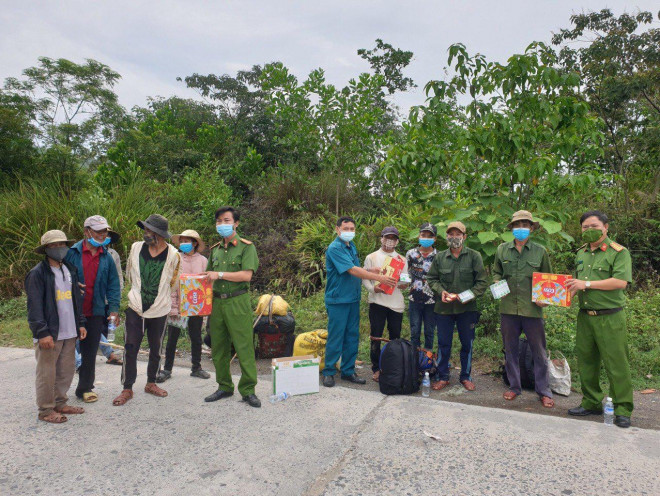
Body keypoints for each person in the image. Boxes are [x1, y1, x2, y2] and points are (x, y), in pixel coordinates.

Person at [566, 211, 633, 428]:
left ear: (606, 227)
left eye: (593, 226)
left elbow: (620, 282)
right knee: (587, 362)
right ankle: (591, 402)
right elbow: (575, 284)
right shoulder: (581, 253)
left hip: (610, 317)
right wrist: (556, 296)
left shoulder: (619, 252)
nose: (589, 230)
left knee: (616, 363)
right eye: (585, 227)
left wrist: (586, 285)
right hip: (585, 317)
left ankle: (622, 409)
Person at [112, 215, 181, 406]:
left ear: (161, 235)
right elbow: (130, 275)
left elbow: (174, 283)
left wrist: (161, 298)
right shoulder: (136, 248)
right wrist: (138, 294)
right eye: (146, 230)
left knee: (156, 348)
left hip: (160, 309)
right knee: (130, 347)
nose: (146, 233)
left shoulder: (174, 255)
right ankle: (127, 388)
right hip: (135, 306)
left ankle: (151, 382)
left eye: (150, 231)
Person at [322, 216, 398, 388]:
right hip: (338, 300)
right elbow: (352, 270)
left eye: (352, 229)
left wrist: (372, 269)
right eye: (345, 228)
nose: (349, 232)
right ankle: (329, 372)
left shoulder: (351, 246)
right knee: (336, 336)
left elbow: (357, 267)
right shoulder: (335, 248)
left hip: (352, 299)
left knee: (351, 336)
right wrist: (379, 277)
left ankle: (348, 371)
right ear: (337, 229)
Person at [493, 210, 554, 408]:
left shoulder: (540, 251)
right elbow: (496, 273)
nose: (521, 229)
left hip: (532, 310)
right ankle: (514, 387)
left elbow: (549, 280)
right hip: (509, 308)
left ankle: (544, 391)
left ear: (531, 228)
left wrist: (546, 299)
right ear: (512, 229)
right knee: (510, 350)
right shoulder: (502, 250)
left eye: (525, 225)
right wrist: (497, 286)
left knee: (539, 352)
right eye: (517, 225)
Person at [25, 230, 87, 423]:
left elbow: (75, 299)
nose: (59, 249)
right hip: (50, 332)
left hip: (69, 330)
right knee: (47, 373)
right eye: (54, 246)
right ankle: (45, 410)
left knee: (66, 370)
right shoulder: (37, 274)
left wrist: (81, 323)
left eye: (62, 245)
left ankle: (60, 402)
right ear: (46, 249)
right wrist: (42, 332)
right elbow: (34, 306)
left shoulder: (69, 269)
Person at [203, 207, 260, 407]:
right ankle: (224, 386)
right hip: (217, 303)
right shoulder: (215, 250)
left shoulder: (246, 247)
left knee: (244, 346)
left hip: (238, 301)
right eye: (219, 221)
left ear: (236, 223)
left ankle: (248, 390)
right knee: (218, 347)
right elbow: (207, 277)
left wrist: (219, 275)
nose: (222, 225)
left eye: (226, 220)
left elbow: (246, 275)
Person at [65, 215, 120, 403]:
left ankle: (85, 388)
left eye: (104, 231)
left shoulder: (107, 256)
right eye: (98, 231)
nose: (102, 234)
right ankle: (58, 391)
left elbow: (113, 284)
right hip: (70, 311)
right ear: (86, 231)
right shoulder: (71, 253)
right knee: (65, 351)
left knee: (89, 353)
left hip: (95, 311)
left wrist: (113, 310)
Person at [427, 221, 488, 391]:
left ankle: (466, 376)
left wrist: (465, 296)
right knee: (443, 343)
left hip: (467, 309)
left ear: (464, 237)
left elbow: (482, 283)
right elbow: (432, 279)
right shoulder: (440, 257)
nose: (454, 237)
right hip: (443, 309)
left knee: (467, 344)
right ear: (446, 237)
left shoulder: (474, 256)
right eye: (451, 234)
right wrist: (441, 292)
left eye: (458, 234)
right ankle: (442, 376)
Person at [156, 229, 211, 382]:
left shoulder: (203, 261)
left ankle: (196, 367)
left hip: (196, 306)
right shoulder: (175, 258)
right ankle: (167, 370)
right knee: (172, 338)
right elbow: (171, 284)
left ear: (195, 243)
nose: (184, 244)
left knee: (196, 337)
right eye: (182, 241)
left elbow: (206, 285)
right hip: (178, 306)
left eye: (187, 241)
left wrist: (204, 307)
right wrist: (173, 307)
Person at [363, 226, 409, 382]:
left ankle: (391, 366)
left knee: (395, 338)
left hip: (396, 304)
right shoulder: (372, 257)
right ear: (381, 238)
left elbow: (405, 280)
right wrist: (373, 289)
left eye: (393, 238)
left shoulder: (402, 260)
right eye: (387, 237)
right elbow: (365, 277)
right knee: (376, 337)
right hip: (377, 302)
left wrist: (404, 284)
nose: (389, 241)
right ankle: (376, 368)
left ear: (397, 241)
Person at [406, 222, 438, 351]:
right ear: (419, 236)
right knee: (415, 330)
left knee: (430, 331)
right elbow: (405, 273)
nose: (425, 238)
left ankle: (428, 361)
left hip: (432, 299)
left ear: (434, 238)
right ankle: (414, 361)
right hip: (414, 298)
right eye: (423, 235)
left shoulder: (438, 256)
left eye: (429, 236)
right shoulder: (411, 254)